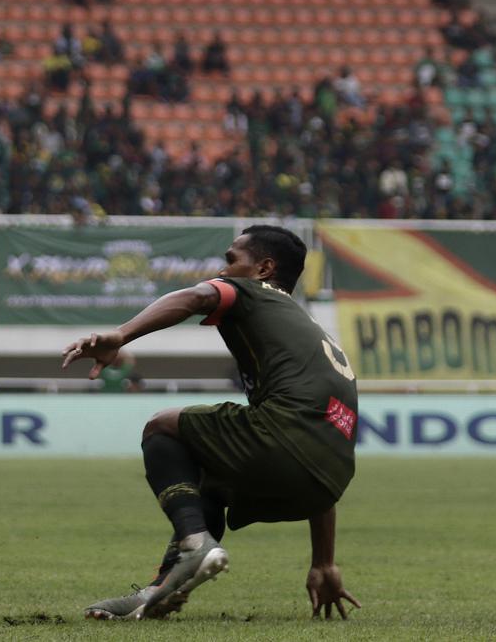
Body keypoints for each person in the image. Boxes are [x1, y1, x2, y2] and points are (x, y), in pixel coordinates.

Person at [62, 225, 361, 621]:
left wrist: (121, 334)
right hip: (325, 484)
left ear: (264, 269)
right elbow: (317, 447)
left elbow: (198, 295)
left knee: (162, 427)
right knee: (207, 476)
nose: (222, 270)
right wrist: (324, 561)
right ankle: (162, 589)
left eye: (231, 260)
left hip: (283, 445)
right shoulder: (307, 330)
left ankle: (194, 542)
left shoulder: (253, 293)